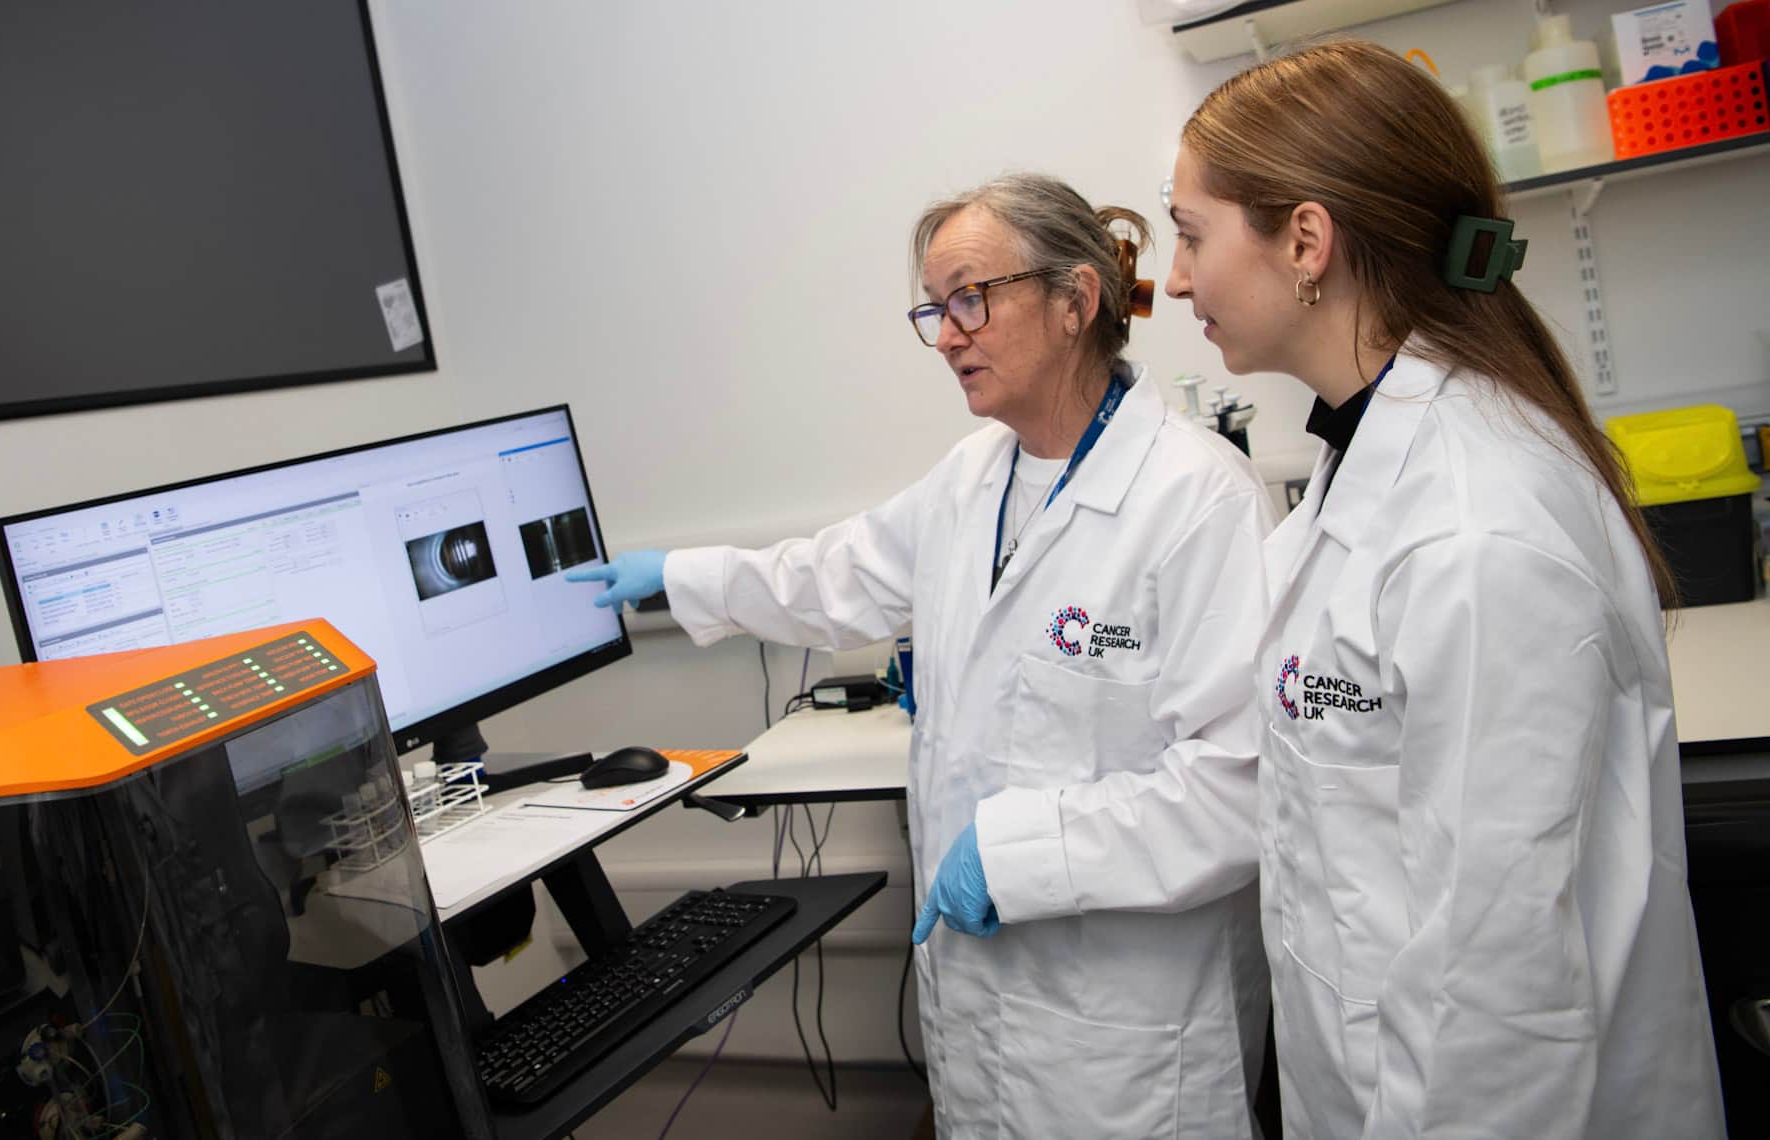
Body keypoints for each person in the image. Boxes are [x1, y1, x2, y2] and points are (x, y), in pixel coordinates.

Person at [570, 174, 1275, 1138]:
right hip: (981, 1007)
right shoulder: (972, 477)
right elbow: (834, 575)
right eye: (935, 309)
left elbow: (1234, 789)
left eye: (970, 299)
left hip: (1126, 1032)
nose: (946, 336)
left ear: (1075, 300)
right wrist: (680, 576)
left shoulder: (1199, 500)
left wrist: (1022, 853)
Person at [1166, 40, 1726, 1139]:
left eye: (1190, 234)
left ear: (1305, 242)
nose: (1176, 279)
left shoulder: (1475, 530)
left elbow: (1499, 999)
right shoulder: (1368, 454)